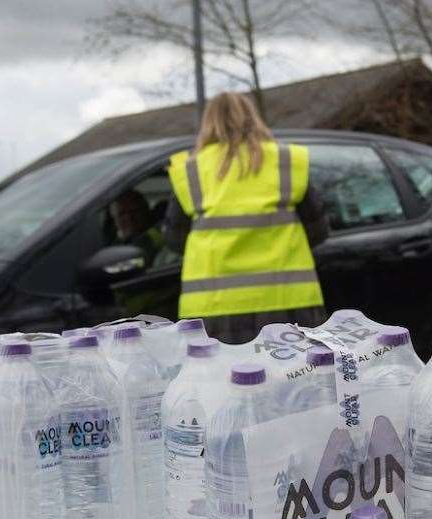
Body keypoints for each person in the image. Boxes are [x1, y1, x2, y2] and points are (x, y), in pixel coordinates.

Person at [165, 91, 329, 343]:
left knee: (227, 380)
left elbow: (175, 241)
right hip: (289, 303)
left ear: (208, 123)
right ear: (253, 118)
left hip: (215, 312)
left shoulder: (191, 170)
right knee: (297, 379)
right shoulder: (285, 161)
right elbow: (318, 231)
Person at [110, 190, 176, 267]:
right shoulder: (112, 242)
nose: (129, 218)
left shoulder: (160, 233)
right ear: (114, 218)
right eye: (121, 214)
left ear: (146, 211)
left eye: (134, 211)